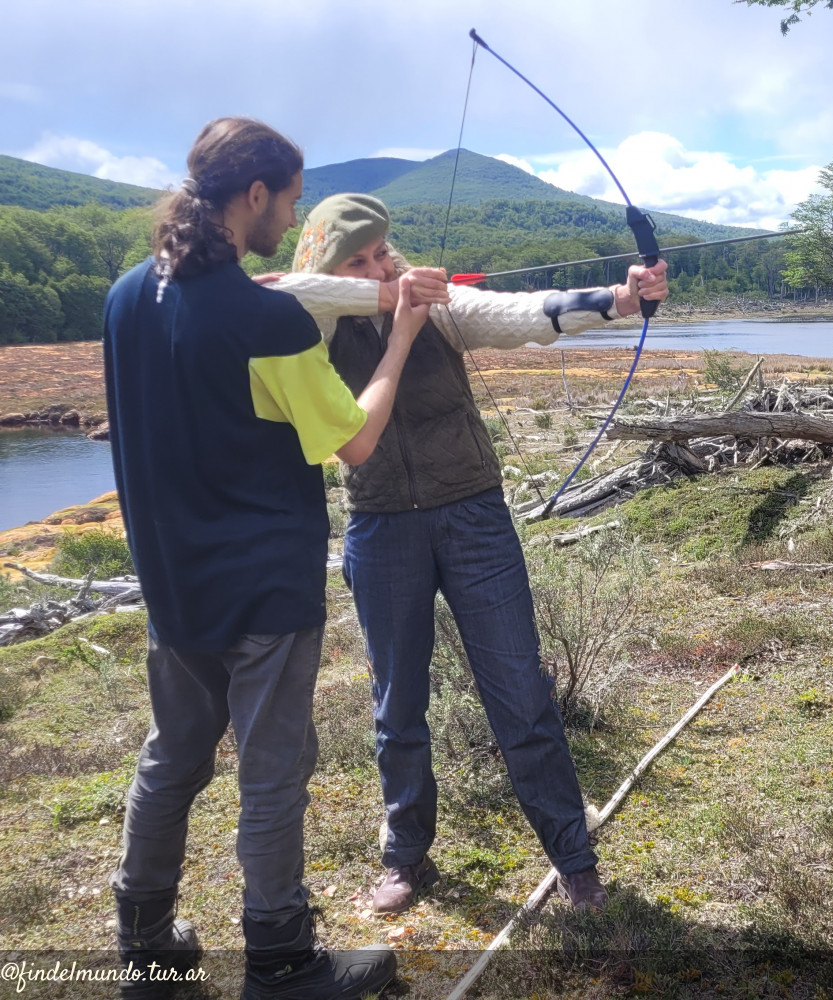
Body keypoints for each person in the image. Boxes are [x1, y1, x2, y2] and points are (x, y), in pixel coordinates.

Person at [102, 121, 444, 1000]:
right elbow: (355, 440)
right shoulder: (267, 319)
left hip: (172, 583)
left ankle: (144, 947)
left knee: (173, 756)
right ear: (254, 195)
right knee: (272, 774)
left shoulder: (127, 296)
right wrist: (401, 335)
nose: (292, 217)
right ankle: (283, 962)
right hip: (264, 587)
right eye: (290, 199)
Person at [259, 192, 667, 916]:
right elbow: (281, 294)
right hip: (382, 526)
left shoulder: (437, 306)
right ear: (325, 267)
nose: (380, 268)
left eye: (382, 253)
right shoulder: (311, 326)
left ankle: (575, 863)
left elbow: (521, 314)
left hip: (474, 518)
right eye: (356, 262)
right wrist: (384, 300)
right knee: (397, 707)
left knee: (522, 696)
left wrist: (620, 298)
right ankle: (405, 855)